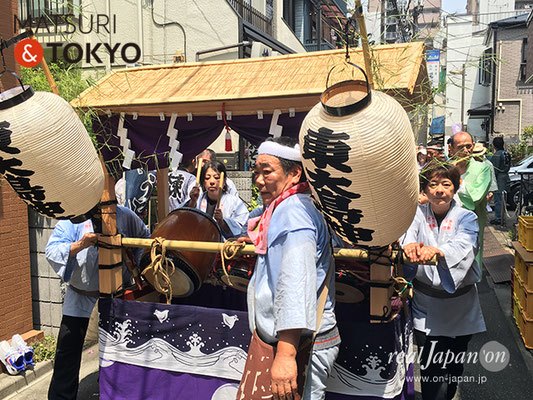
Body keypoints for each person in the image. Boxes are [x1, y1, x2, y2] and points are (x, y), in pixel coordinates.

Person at [241, 137, 339, 399]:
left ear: (295, 173)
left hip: (300, 342)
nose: (259, 180)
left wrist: (286, 353)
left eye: (267, 172)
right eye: (257, 172)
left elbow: (294, 282)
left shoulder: (293, 211)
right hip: (297, 338)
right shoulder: (294, 205)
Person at [46, 206, 150, 400]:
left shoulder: (125, 215)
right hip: (80, 294)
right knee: (68, 349)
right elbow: (52, 250)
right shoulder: (73, 218)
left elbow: (144, 238)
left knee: (119, 346)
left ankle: (116, 390)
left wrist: (137, 269)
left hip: (116, 293)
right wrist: (80, 244)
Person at [401, 162, 486, 400]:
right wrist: (408, 245)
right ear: (425, 190)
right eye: (433, 184)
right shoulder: (416, 214)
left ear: (455, 189)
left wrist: (437, 252)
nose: (439, 190)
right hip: (425, 305)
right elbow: (407, 234)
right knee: (431, 368)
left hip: (460, 306)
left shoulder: (466, 217)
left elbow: (464, 246)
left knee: (455, 366)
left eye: (446, 184)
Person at [449, 131, 491, 269]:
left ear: (473, 147)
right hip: (447, 225)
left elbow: (476, 198)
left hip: (470, 227)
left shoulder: (483, 169)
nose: (465, 151)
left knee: (469, 264)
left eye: (468, 146)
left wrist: (458, 179)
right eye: (460, 147)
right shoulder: (446, 168)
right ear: (452, 149)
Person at [188, 160, 248, 239]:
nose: (212, 181)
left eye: (216, 177)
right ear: (203, 182)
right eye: (207, 178)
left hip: (223, 247)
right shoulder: (197, 199)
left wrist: (223, 222)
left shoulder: (234, 202)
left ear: (224, 181)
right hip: (200, 246)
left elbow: (242, 226)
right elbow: (184, 219)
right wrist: (192, 202)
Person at [489, 136, 511, 225]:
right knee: (504, 199)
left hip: (499, 179)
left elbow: (495, 169)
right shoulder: (507, 153)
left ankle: (499, 218)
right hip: (506, 177)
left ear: (494, 145)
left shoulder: (496, 155)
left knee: (498, 199)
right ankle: (503, 217)